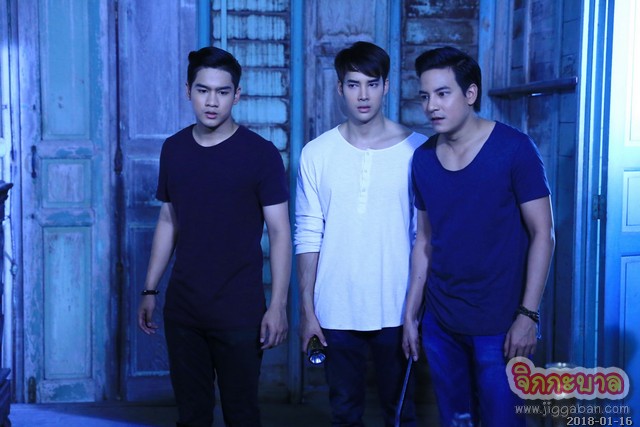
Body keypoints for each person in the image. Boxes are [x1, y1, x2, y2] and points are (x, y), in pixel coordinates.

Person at [137, 46, 291, 427]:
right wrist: (150, 289)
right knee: (192, 416)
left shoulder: (261, 154)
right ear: (187, 91)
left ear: (237, 95)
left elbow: (280, 233)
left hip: (240, 311)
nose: (212, 101)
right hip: (184, 310)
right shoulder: (174, 149)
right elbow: (169, 220)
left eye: (222, 92)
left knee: (242, 415)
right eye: (203, 90)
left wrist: (277, 306)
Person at [402, 46, 555, 427]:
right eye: (425, 96)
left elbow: (543, 234)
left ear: (470, 94)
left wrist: (527, 315)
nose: (431, 106)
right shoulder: (423, 159)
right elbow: (424, 242)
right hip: (441, 322)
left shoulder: (514, 149)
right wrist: (411, 314)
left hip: (500, 323)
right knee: (457, 421)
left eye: (443, 93)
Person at [295, 41, 425, 427]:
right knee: (345, 413)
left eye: (372, 83)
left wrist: (416, 311)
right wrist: (308, 311)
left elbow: (423, 237)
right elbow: (308, 234)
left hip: (397, 307)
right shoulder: (316, 153)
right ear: (340, 88)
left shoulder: (418, 151)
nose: (363, 95)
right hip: (335, 307)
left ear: (387, 86)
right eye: (353, 84)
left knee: (401, 414)